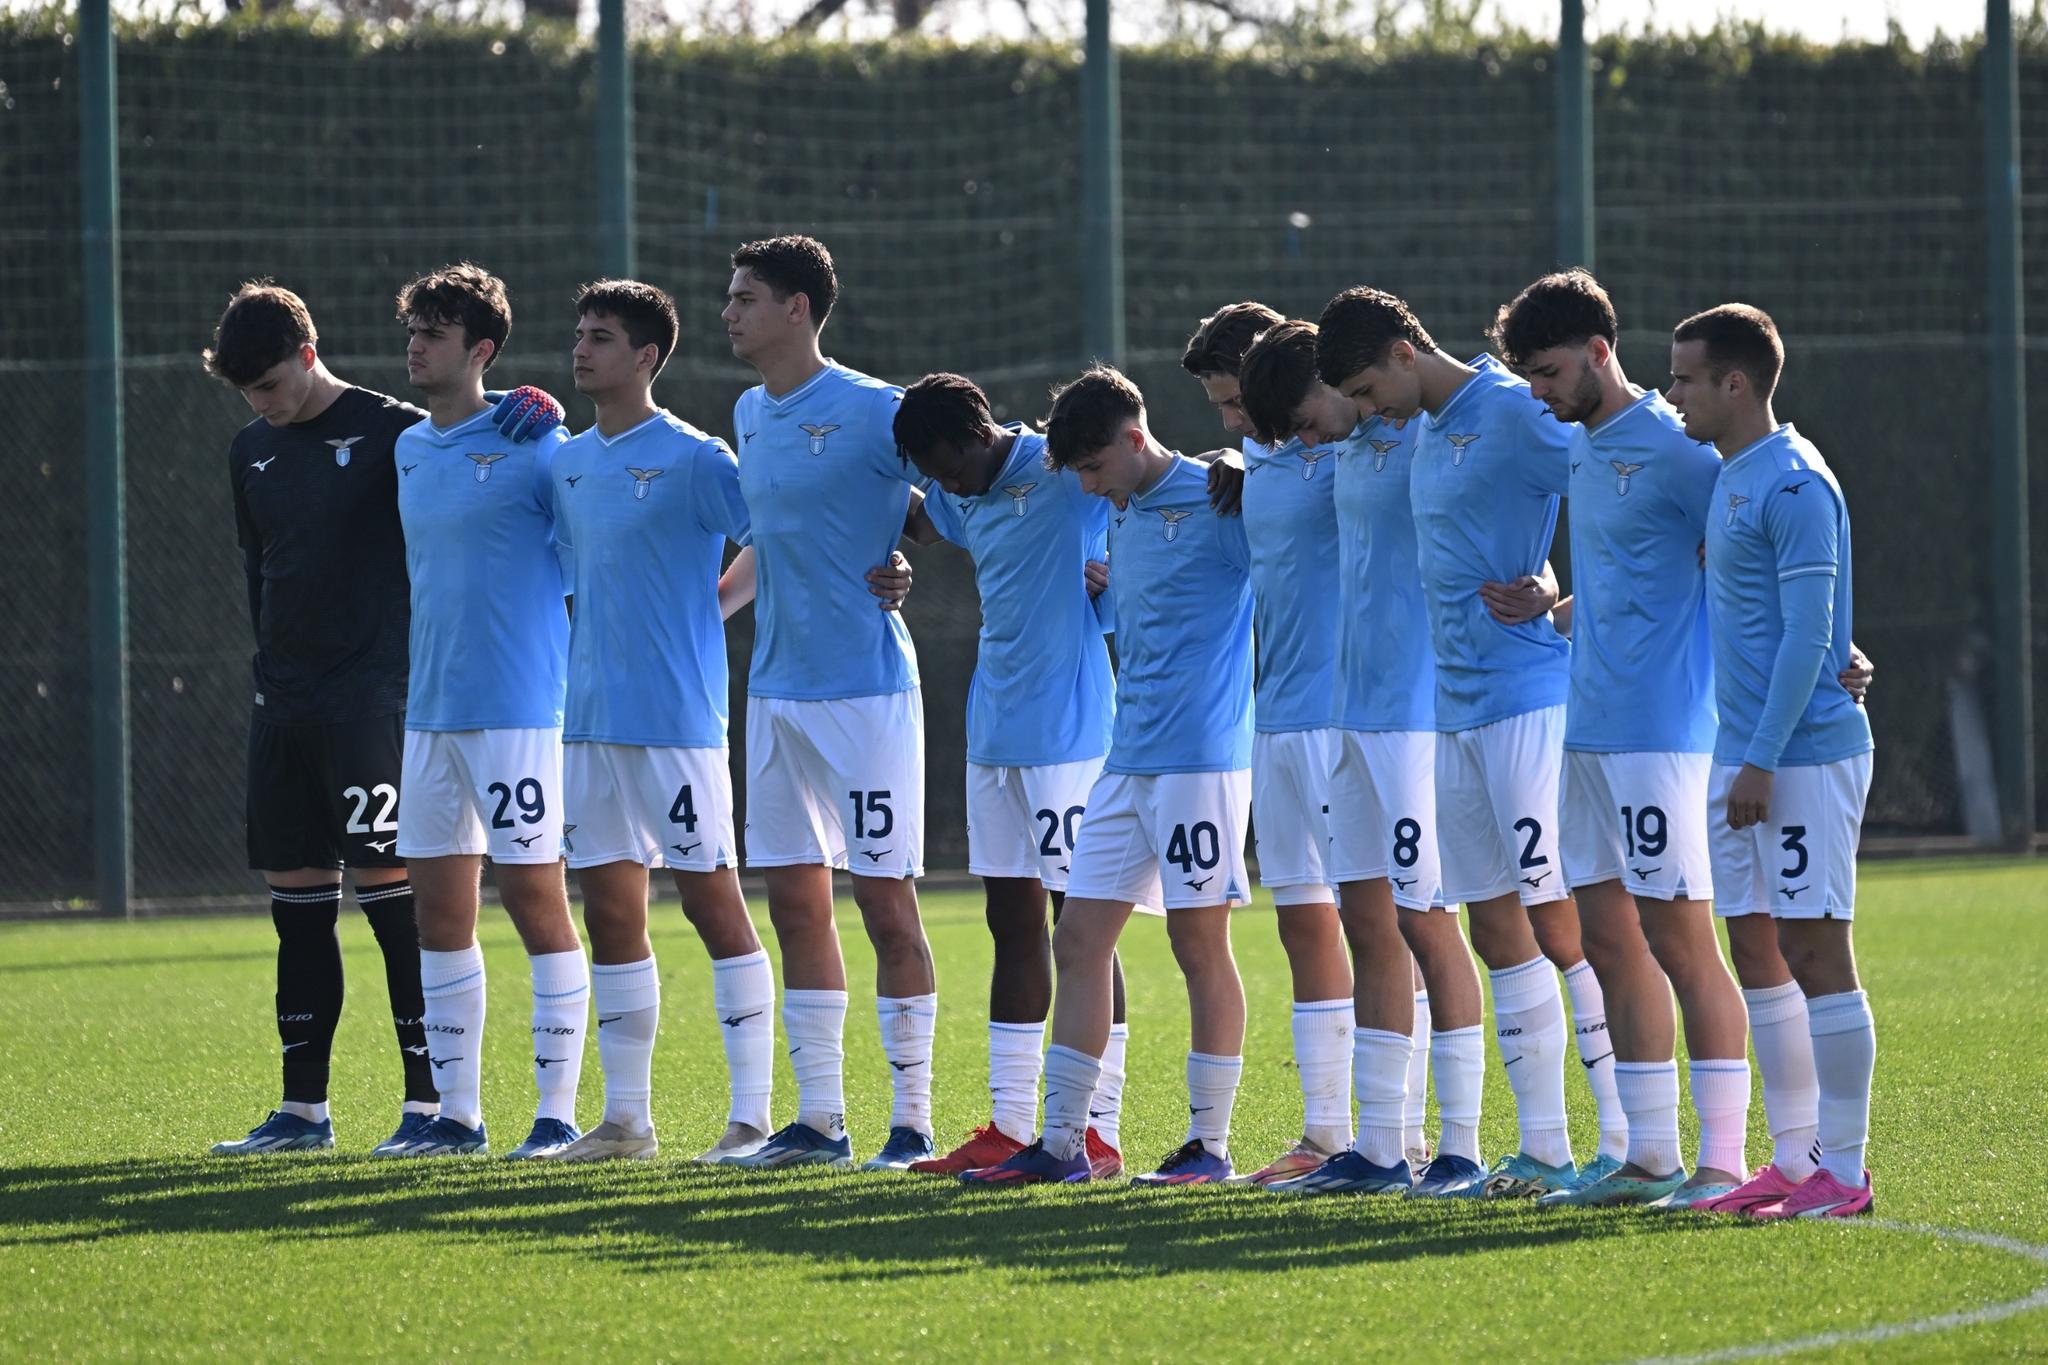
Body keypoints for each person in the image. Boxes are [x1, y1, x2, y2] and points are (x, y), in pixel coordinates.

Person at [204, 279, 560, 1157]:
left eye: (273, 386)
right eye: (248, 394)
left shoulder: (392, 431)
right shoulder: (251, 449)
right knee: (295, 906)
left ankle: (428, 1101)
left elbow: (470, 437)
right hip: (282, 705)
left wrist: (536, 403)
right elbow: (262, 574)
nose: (263, 406)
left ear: (309, 355)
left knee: (397, 904)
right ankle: (301, 1110)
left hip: (374, 701)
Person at [1314, 286, 1624, 1197]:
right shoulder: (1420, 426)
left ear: (1406, 352)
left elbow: (1623, 499)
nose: (1368, 412)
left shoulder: (1516, 409)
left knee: (1562, 923)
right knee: (1495, 925)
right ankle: (1544, 1148)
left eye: (1370, 390)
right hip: (1451, 713)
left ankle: (1625, 1142)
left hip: (1528, 701)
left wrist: (1560, 602)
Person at [1233, 317, 1526, 1197]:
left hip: (1413, 719)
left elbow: (1545, 475)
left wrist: (1550, 585)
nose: (1310, 441)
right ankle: (1380, 1145)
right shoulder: (1356, 447)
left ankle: (1463, 1147)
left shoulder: (1433, 433)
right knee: (1372, 928)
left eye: (1314, 417)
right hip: (1348, 717)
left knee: (1432, 925)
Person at [965, 365, 1256, 1186]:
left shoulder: (1222, 496)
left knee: (1199, 943)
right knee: (1079, 936)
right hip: (1126, 760)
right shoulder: (1120, 512)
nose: (1089, 488)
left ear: (1134, 439)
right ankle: (1064, 1145)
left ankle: (1210, 1145)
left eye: (1094, 468)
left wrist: (1249, 467)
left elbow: (1296, 570)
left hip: (1202, 760)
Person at [539, 279, 776, 1163]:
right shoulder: (565, 463)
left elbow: (771, 535)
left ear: (646, 357)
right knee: (609, 912)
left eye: (600, 336)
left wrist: (713, 607)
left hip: (678, 723)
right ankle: (626, 1121)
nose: (581, 349)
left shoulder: (694, 455)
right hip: (591, 722)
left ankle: (751, 1117)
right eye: (579, 332)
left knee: (713, 903)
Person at [719, 236, 939, 1171]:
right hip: (776, 696)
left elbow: (942, 500)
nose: (728, 312)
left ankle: (913, 1122)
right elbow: (769, 541)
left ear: (799, 308)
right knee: (796, 908)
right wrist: (703, 614)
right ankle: (817, 1122)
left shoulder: (876, 408)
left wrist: (904, 557)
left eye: (745, 298)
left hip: (866, 695)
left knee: (887, 907)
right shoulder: (747, 412)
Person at [1181, 304, 1407, 1187]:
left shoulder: (1353, 446)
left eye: (1239, 403)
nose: (1231, 423)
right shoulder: (1252, 467)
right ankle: (1325, 1132)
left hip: (1352, 714)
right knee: (1302, 923)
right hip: (1271, 720)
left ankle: (1405, 1133)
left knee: (1384, 924)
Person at [1670, 303, 1878, 1218]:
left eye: (1683, 377)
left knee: (1815, 946)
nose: (1670, 392)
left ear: (1735, 383)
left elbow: (1806, 639)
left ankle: (1847, 1169)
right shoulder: (1731, 474)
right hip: (1743, 753)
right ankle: (1793, 1161)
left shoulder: (1794, 481)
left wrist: (1760, 758)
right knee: (1757, 943)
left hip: (1799, 755)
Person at [891, 373, 1126, 1180]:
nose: (948, 480)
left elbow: (1145, 487)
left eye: (951, 460)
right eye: (932, 468)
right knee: (1010, 919)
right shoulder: (960, 496)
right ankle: (1010, 1124)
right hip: (992, 738)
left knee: (1082, 927)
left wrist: (1115, 576)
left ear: (983, 427)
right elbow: (918, 517)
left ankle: (1097, 1131)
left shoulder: (1065, 473)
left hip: (1069, 737)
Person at [388, 263, 585, 1160]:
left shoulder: (537, 439)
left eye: (434, 332)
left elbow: (594, 538)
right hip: (430, 712)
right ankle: (456, 1116)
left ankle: (556, 1115)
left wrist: (556, 416)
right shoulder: (406, 446)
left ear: (482, 349)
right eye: (413, 331)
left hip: (518, 710)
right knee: (439, 916)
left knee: (536, 899)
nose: (416, 346)